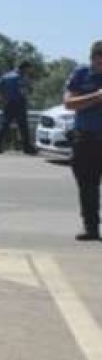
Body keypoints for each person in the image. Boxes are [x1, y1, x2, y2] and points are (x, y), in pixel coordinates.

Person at [64, 42, 102, 240]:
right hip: (86, 139)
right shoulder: (81, 74)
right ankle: (91, 228)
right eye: (100, 60)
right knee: (87, 185)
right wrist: (96, 97)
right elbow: (69, 103)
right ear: (93, 58)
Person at [0, 61, 35, 154]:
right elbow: (28, 90)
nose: (29, 71)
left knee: (4, 125)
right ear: (24, 68)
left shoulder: (7, 76)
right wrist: (28, 91)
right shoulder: (23, 77)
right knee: (23, 126)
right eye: (28, 69)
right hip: (20, 103)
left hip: (8, 103)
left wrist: (2, 98)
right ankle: (27, 148)